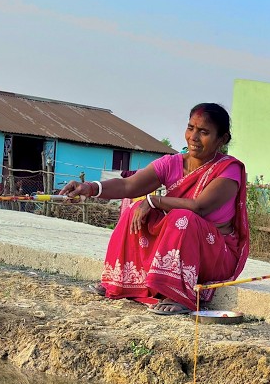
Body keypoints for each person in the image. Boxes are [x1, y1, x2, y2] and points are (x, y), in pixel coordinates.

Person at [59, 103, 250, 315]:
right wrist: (90, 188)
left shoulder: (229, 170)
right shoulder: (172, 163)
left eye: (204, 132)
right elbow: (129, 185)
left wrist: (154, 201)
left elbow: (200, 207)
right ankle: (123, 281)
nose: (193, 137)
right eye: (190, 128)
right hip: (179, 243)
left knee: (183, 218)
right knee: (135, 210)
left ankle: (178, 294)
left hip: (216, 253)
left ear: (222, 139)